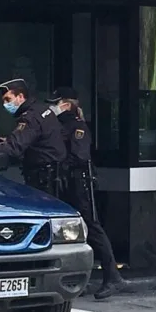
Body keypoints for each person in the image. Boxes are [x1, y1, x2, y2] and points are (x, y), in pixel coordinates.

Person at [48, 87, 130, 300]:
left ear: (66, 104)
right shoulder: (62, 125)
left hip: (79, 185)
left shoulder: (77, 128)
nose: (53, 107)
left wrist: (59, 164)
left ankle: (113, 277)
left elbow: (79, 157)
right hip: (68, 185)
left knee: (92, 228)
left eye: (56, 103)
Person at [0, 78, 66, 197]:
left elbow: (14, 148)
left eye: (8, 99)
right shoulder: (42, 109)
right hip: (55, 175)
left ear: (20, 96)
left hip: (43, 180)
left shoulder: (29, 117)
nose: (5, 104)